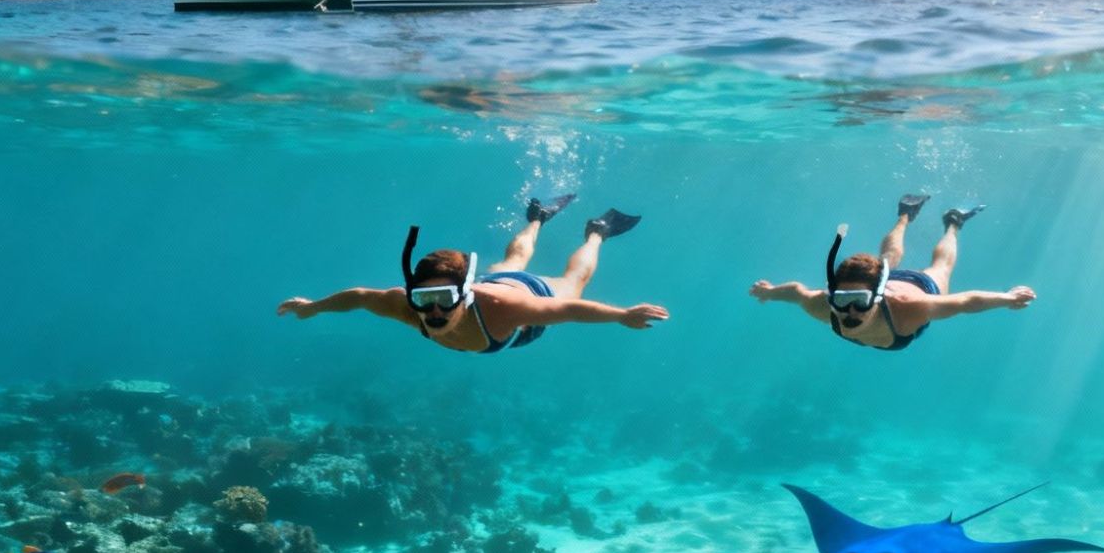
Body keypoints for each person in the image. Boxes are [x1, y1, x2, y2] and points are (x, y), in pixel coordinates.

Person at [276, 198, 668, 350]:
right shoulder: (405, 306)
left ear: (464, 295)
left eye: (443, 300)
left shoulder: (505, 308)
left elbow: (571, 311)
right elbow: (361, 296)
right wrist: (314, 307)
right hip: (492, 282)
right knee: (511, 260)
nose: (432, 312)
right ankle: (537, 219)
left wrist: (622, 316)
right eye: (423, 299)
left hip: (521, 294)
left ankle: (597, 232)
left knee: (573, 283)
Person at [749, 194, 1035, 351]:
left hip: (920, 287)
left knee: (940, 267)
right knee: (885, 260)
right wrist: (770, 292)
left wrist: (1006, 298)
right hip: (884, 285)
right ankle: (905, 214)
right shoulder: (822, 307)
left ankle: (954, 222)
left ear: (876, 297)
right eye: (841, 299)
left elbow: (965, 302)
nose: (849, 311)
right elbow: (798, 292)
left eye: (859, 301)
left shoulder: (912, 310)